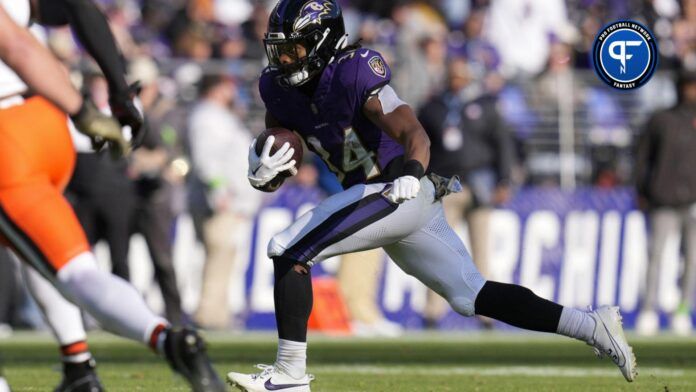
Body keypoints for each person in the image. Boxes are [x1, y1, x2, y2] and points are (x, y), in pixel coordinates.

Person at [226, 1, 636, 391]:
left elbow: (413, 132)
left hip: (398, 190)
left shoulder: (353, 70)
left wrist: (411, 171)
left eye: (293, 49)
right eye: (278, 51)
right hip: (382, 202)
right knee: (471, 294)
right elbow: (283, 146)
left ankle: (290, 374)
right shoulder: (276, 88)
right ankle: (592, 326)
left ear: (321, 41)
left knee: (289, 249)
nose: (283, 61)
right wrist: (265, 169)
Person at [0, 2, 225, 391]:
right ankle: (81, 367)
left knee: (66, 269)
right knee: (45, 257)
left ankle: (164, 342)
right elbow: (34, 36)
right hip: (42, 119)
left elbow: (17, 45)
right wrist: (87, 107)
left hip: (6, 141)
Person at [418, 57, 516, 328]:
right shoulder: (433, 108)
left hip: (480, 183)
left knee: (482, 251)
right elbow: (420, 145)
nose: (457, 79)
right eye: (453, 74)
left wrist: (505, 180)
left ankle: (487, 312)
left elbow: (503, 144)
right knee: (440, 250)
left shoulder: (485, 106)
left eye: (462, 74)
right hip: (446, 184)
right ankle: (432, 311)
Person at [188, 74, 260, 329]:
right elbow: (206, 160)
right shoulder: (207, 117)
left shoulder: (219, 117)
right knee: (218, 255)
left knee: (224, 257)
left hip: (228, 200)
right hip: (220, 201)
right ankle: (208, 315)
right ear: (215, 89)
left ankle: (218, 313)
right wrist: (220, 193)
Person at [634, 69, 696, 336]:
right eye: (689, 86)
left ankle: (682, 310)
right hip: (663, 198)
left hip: (693, 201)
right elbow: (642, 157)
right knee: (655, 255)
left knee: (692, 259)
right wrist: (643, 190)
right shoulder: (662, 119)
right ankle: (649, 309)